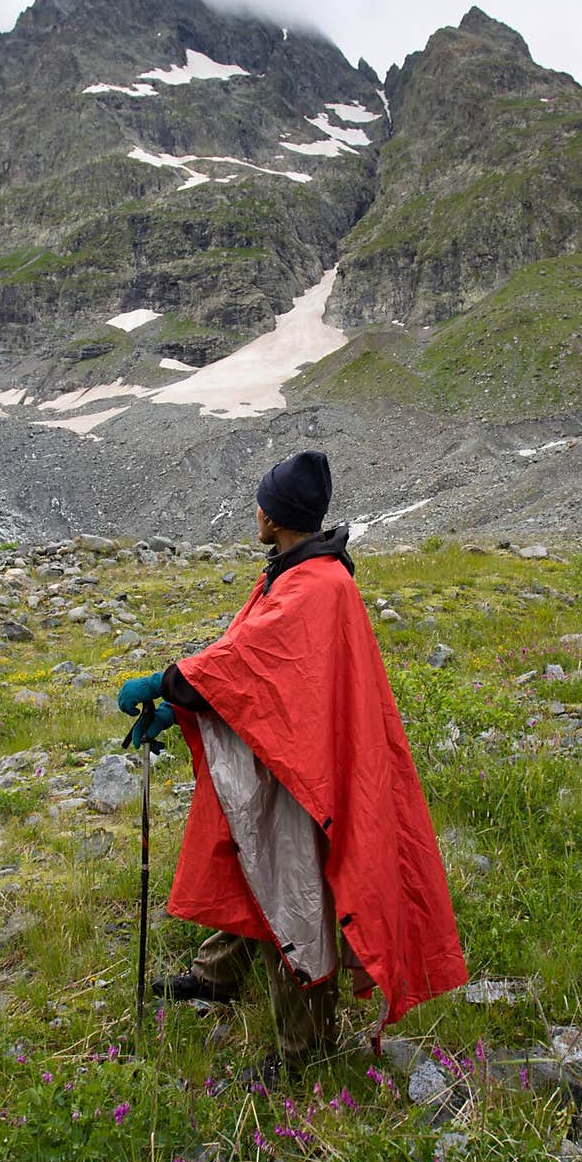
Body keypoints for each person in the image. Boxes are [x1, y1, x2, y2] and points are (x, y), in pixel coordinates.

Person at [118, 450, 468, 1073]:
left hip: (309, 770)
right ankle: (220, 975)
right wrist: (182, 706)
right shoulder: (292, 570)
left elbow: (252, 665)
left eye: (262, 503)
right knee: (256, 859)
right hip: (284, 753)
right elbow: (245, 660)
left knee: (294, 891)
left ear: (276, 516)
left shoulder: (318, 585)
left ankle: (303, 1050)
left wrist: (166, 682)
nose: (256, 511)